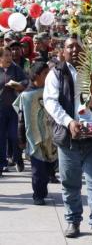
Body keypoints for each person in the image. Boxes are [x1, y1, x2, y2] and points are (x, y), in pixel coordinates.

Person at [43, 36, 92, 240]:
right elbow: (51, 103)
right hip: (69, 139)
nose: (75, 50)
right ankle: (73, 220)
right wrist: (69, 122)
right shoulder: (56, 74)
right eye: (70, 47)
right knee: (70, 183)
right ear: (63, 51)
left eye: (78, 46)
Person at [14, 61, 57, 205]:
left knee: (49, 167)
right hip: (34, 138)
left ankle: (42, 188)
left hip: (50, 138)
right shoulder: (26, 95)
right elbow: (21, 119)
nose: (48, 77)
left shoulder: (51, 92)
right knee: (38, 170)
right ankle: (38, 195)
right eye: (45, 74)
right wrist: (21, 139)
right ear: (36, 76)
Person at [0, 46, 28, 176]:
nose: (9, 58)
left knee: (14, 135)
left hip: (14, 108)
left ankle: (18, 159)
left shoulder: (16, 68)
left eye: (10, 55)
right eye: (6, 55)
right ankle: (2, 164)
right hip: (1, 109)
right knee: (1, 138)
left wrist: (16, 84)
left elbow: (26, 80)